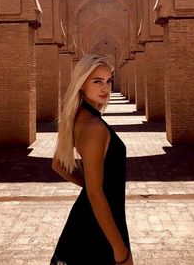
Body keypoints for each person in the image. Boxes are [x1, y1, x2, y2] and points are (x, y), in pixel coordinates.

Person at [50, 54, 133, 265]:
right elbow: (96, 194)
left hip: (88, 224)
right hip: (96, 232)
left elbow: (58, 164)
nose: (106, 88)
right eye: (97, 81)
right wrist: (120, 251)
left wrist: (89, 184)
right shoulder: (94, 127)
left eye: (108, 81)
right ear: (81, 84)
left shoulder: (79, 116)